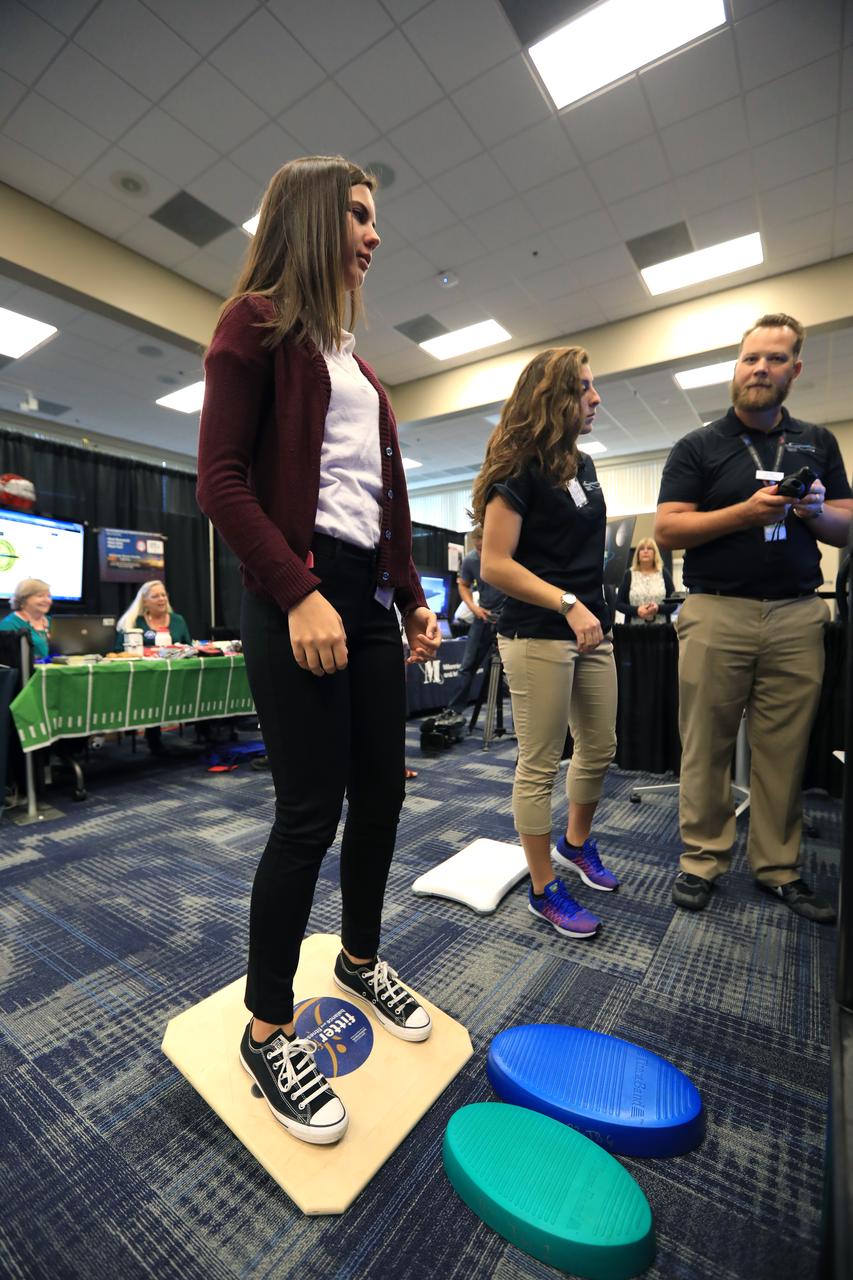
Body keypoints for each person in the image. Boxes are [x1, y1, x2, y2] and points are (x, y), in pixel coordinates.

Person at [197, 155, 441, 1146]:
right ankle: (267, 1023)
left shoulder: (362, 368)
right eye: (356, 214)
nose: (373, 235)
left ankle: (357, 958)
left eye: (374, 216)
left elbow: (383, 506)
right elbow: (219, 481)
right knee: (307, 811)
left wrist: (415, 597)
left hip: (369, 597)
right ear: (307, 215)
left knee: (381, 790)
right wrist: (297, 591)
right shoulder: (252, 322)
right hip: (292, 587)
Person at [655, 313, 853, 923]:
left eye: (774, 359)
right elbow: (667, 528)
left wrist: (816, 512)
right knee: (705, 745)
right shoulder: (699, 446)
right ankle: (703, 858)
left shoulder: (817, 441)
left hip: (797, 614)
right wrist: (745, 513)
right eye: (749, 359)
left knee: (784, 750)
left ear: (794, 369)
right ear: (735, 369)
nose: (760, 369)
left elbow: (846, 523)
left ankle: (778, 867)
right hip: (717, 611)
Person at [471, 346, 620, 943]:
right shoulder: (519, 468)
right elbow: (495, 565)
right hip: (537, 632)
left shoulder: (581, 465)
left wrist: (589, 610)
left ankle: (575, 844)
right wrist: (565, 602)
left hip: (591, 628)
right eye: (585, 388)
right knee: (539, 763)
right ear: (554, 396)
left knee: (601, 746)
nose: (596, 398)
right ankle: (541, 888)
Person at [441, 527, 506, 713]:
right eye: (477, 548)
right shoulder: (471, 560)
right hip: (483, 617)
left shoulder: (507, 555)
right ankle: (454, 711)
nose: (480, 552)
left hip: (509, 617)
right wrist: (474, 608)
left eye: (484, 548)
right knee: (466, 666)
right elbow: (463, 585)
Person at [616, 538, 677, 624]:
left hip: (661, 630)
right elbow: (618, 604)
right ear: (637, 554)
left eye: (649, 548)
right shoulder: (628, 575)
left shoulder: (664, 573)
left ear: (655, 553)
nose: (645, 551)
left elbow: (674, 604)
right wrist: (637, 610)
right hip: (633, 630)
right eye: (642, 549)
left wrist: (658, 608)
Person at [116, 580, 191, 646]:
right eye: (155, 596)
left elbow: (189, 648)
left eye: (163, 595)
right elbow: (119, 650)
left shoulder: (178, 620)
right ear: (144, 602)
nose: (161, 599)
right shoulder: (133, 621)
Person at [0, 578, 52, 659]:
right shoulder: (9, 625)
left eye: (49, 596)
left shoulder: (51, 621)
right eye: (40, 596)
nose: (47, 600)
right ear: (23, 599)